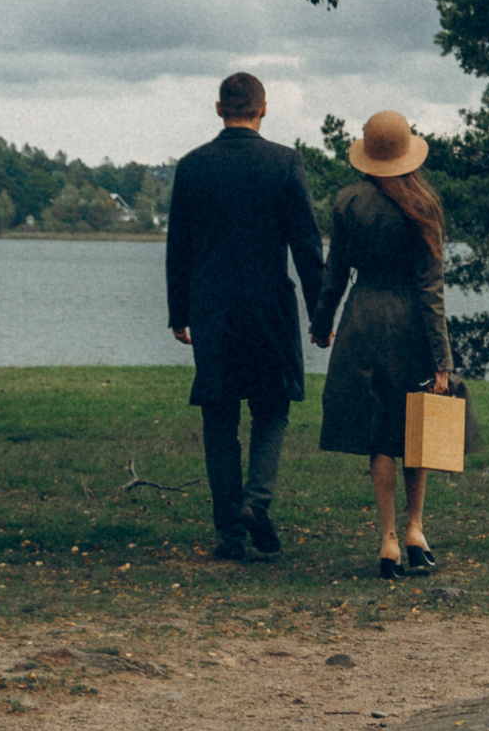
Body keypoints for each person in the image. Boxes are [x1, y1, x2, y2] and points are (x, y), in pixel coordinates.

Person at [166, 71, 325, 563]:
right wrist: (321, 315)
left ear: (219, 109)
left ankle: (230, 535)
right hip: (268, 308)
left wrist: (178, 312)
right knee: (271, 408)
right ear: (264, 108)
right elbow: (306, 244)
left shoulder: (192, 166)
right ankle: (256, 501)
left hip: (212, 309)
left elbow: (179, 247)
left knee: (219, 416)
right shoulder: (284, 162)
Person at [310, 109, 454, 579]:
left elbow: (335, 273)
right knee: (417, 426)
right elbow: (431, 288)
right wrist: (442, 358)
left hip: (364, 319)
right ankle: (416, 530)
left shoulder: (347, 201)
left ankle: (388, 538)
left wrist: (321, 323)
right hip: (411, 322)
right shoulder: (425, 204)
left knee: (378, 431)